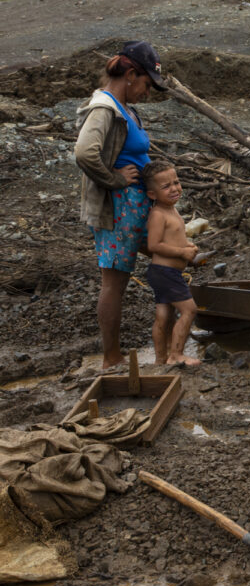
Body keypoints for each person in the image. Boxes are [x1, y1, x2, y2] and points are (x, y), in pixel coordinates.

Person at [74, 42, 167, 371]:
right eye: (145, 84)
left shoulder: (124, 107)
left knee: (169, 253)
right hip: (119, 207)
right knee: (114, 282)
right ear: (130, 75)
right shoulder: (104, 108)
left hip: (137, 205)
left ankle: (169, 344)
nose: (147, 92)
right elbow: (85, 153)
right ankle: (110, 357)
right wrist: (113, 179)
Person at [142, 160, 202, 367]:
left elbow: (172, 238)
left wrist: (188, 245)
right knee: (189, 310)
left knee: (164, 316)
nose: (174, 189)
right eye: (166, 186)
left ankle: (161, 359)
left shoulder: (172, 210)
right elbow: (154, 245)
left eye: (176, 182)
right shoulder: (158, 214)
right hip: (165, 272)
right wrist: (182, 252)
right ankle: (176, 354)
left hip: (163, 273)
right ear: (152, 194)